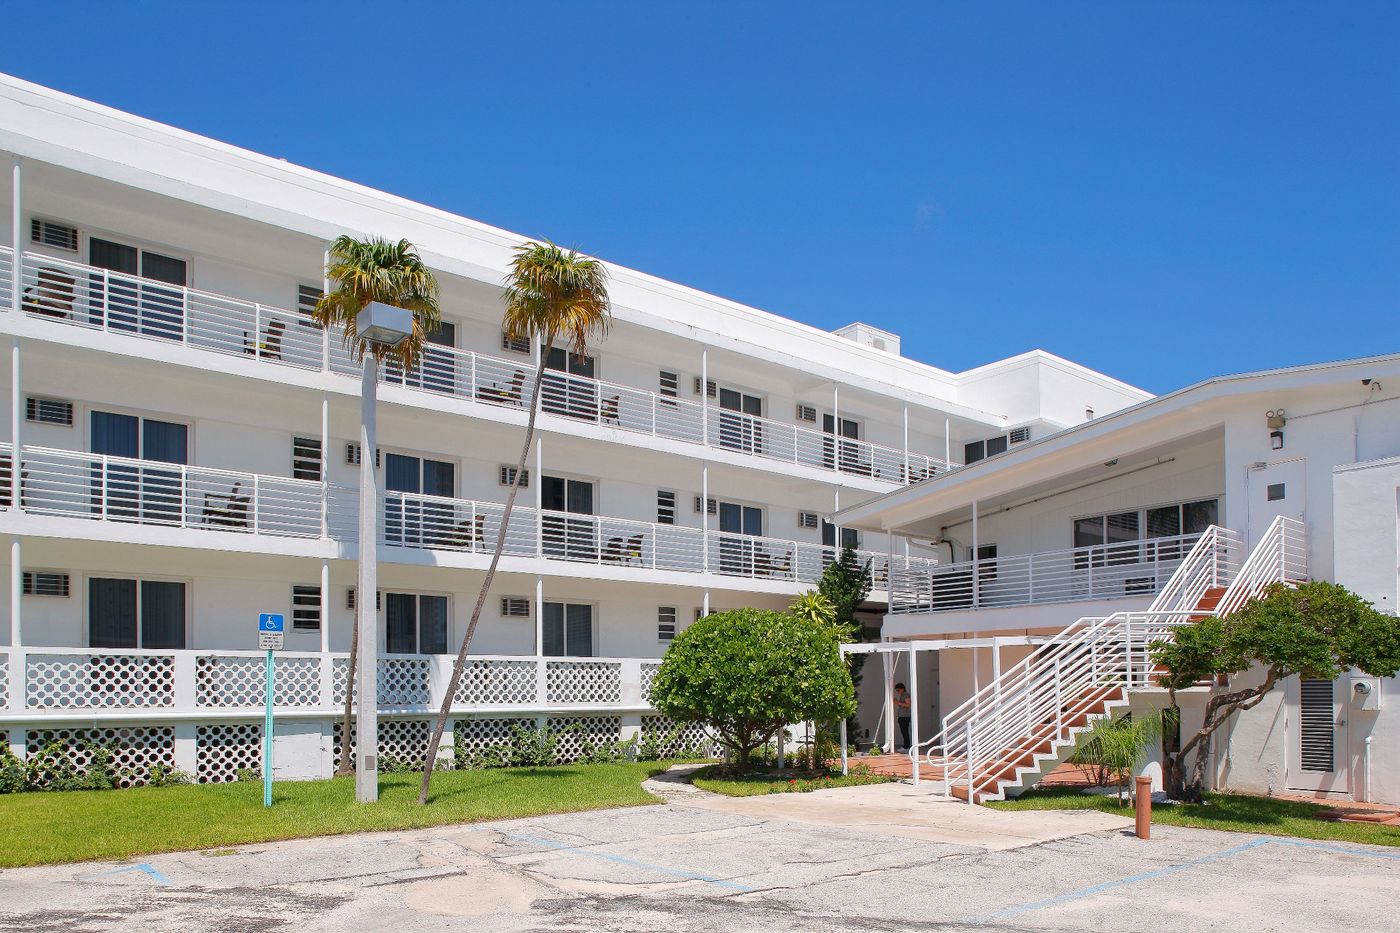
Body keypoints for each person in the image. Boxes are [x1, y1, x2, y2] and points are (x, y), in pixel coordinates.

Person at [893, 682, 912, 752]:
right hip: (902, 716)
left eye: (898, 690)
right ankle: (906, 745)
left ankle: (906, 746)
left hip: (905, 716)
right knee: (903, 732)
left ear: (902, 689)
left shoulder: (906, 695)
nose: (898, 692)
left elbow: (908, 705)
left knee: (905, 732)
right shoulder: (902, 695)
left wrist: (898, 702)